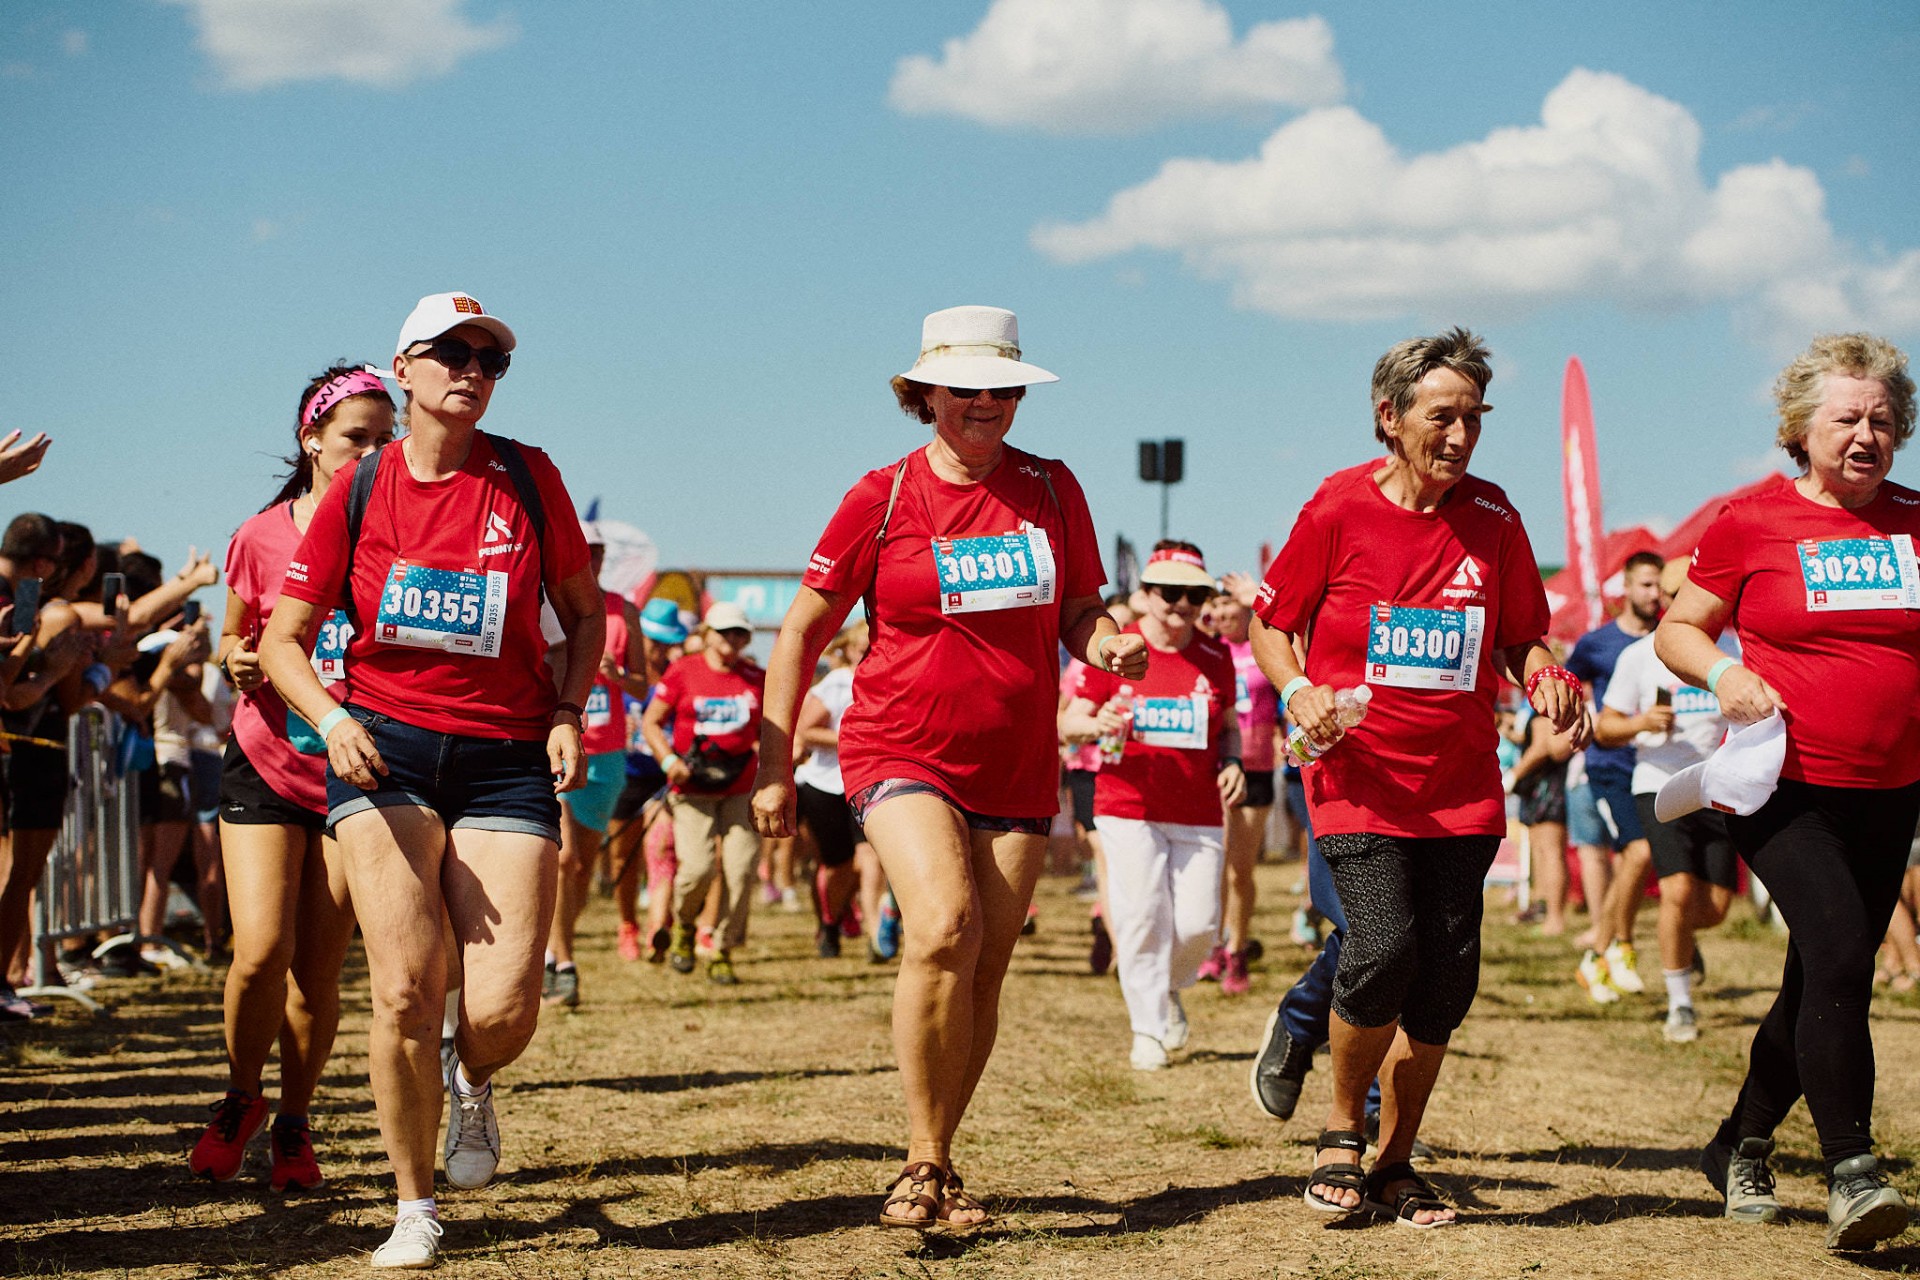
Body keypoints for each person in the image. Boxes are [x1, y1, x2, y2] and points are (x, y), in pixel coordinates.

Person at [751, 305, 1144, 1229]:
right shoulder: (880, 496)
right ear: (923, 392)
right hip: (899, 742)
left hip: (1014, 758)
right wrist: (773, 762)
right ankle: (920, 1164)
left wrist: (1110, 642)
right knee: (943, 927)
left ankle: (941, 1157)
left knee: (984, 968)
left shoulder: (1052, 488)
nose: (986, 403)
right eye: (965, 387)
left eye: (1003, 388)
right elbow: (803, 631)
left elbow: (1080, 608)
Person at [259, 292, 602, 1270]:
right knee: (405, 986)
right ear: (402, 368)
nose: (471, 369)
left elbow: (583, 615)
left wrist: (569, 711)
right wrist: (331, 718)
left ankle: (471, 1071)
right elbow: (282, 639)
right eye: (449, 352)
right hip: (386, 748)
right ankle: (414, 1205)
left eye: (489, 359)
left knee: (503, 1008)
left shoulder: (529, 478)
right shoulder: (361, 487)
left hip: (505, 751)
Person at [1251, 327, 1585, 1228]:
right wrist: (1298, 691)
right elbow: (1272, 625)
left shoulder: (1498, 518)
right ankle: (1339, 1134)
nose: (1462, 435)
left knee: (1447, 976)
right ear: (1390, 418)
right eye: (1444, 416)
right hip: (1357, 772)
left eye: (1475, 418)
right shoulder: (1336, 508)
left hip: (1463, 782)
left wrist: (1547, 676)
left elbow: (1523, 637)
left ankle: (1398, 1161)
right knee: (1384, 941)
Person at [1654, 332, 1920, 1251]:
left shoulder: (1917, 522)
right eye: (1847, 418)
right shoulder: (1748, 522)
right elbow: (1677, 630)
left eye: (1884, 420)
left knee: (1820, 979)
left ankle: (1740, 1141)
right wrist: (1722, 674)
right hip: (1784, 786)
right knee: (1845, 957)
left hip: (1892, 789)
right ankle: (1854, 1172)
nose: (1866, 435)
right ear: (1801, 430)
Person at [188, 365, 395, 1188]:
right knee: (260, 950)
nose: (375, 452)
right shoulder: (260, 535)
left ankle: (295, 1124)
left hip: (360, 769)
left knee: (318, 972)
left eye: (388, 439)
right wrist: (240, 661)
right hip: (268, 760)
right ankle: (241, 1095)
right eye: (357, 438)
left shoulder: (401, 535)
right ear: (310, 440)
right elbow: (231, 637)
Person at [1063, 542, 1241, 1068]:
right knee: (1141, 914)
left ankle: (1165, 989)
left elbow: (1228, 727)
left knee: (1198, 925)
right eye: (1169, 592)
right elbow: (1068, 720)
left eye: (1193, 594)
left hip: (1197, 809)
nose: (1181, 603)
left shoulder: (1216, 655)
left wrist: (1230, 762)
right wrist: (1095, 727)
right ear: (1145, 596)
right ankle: (1146, 1030)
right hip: (1127, 803)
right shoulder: (1119, 648)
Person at [1597, 564, 1737, 1044]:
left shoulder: (1735, 649)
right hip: (1658, 783)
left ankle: (1677, 937)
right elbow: (1604, 727)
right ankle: (1680, 1004)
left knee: (1716, 908)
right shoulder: (1640, 656)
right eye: (1675, 595)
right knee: (1676, 891)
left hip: (1717, 785)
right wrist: (1640, 724)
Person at [543, 524, 646, 1008]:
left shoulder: (623, 609)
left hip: (606, 753)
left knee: (582, 868)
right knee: (563, 860)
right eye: (586, 550)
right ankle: (563, 963)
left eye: (601, 552)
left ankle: (554, 944)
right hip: (556, 743)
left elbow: (646, 686)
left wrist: (616, 675)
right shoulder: (546, 600)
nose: (594, 558)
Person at [642, 602, 765, 984]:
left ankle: (721, 947)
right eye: (725, 631)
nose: (732, 640)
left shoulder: (757, 677)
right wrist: (667, 761)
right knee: (696, 869)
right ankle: (684, 926)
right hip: (692, 786)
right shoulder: (683, 671)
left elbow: (773, 729)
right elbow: (651, 721)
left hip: (742, 786)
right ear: (707, 633)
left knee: (741, 870)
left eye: (740, 633)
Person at [1566, 552, 1663, 999]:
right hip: (1610, 764)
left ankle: (1614, 953)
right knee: (1637, 854)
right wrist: (1578, 726)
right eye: (1645, 584)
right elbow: (1566, 684)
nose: (1654, 593)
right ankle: (1607, 950)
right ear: (1625, 587)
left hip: (1657, 766)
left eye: (1659, 585)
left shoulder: (1669, 639)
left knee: (1634, 860)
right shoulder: (1597, 642)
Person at [1204, 571, 1279, 994]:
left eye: (1229, 604)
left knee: (1239, 869)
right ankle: (1212, 945)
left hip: (1258, 768)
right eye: (1216, 606)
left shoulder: (1262, 648)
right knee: (1213, 864)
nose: (1221, 612)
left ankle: (1237, 948)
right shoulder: (1208, 651)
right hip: (1216, 766)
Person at [791, 622, 875, 958]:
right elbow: (806, 730)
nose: (868, 655)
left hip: (870, 784)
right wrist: (854, 740)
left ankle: (875, 933)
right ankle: (829, 923)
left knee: (872, 858)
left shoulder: (891, 682)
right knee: (837, 864)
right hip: (826, 785)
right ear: (850, 650)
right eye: (862, 649)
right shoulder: (839, 683)